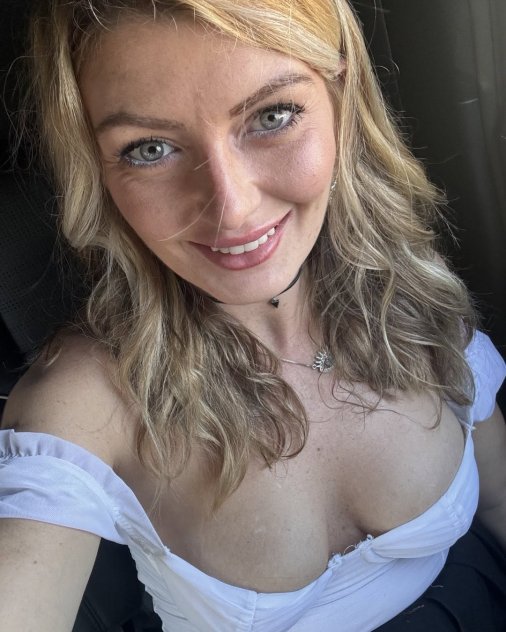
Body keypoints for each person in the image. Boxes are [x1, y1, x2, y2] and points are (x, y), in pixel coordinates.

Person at [1, 1, 505, 630]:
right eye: (150, 148)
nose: (232, 208)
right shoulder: (88, 400)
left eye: (273, 116)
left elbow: (498, 499)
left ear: (340, 99)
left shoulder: (411, 294)